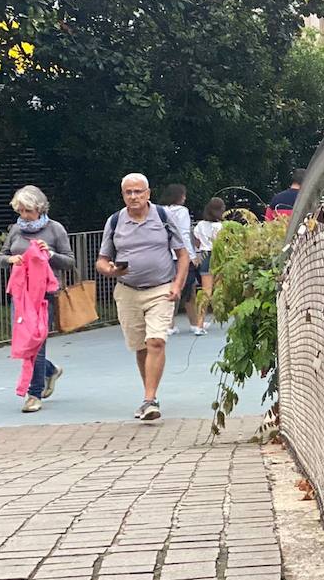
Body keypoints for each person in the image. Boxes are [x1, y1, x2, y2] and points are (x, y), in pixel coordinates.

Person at [95, 173, 189, 421]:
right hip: (127, 290)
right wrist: (110, 270)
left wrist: (178, 285)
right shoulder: (115, 221)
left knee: (156, 341)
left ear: (148, 193)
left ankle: (150, 399)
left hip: (161, 288)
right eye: (129, 192)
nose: (134, 196)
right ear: (123, 195)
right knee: (140, 347)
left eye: (138, 191)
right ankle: (148, 394)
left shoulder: (163, 217)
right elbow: (102, 261)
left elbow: (182, 254)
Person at [0, 185, 74, 413]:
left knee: (36, 344)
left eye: (27, 211)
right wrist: (11, 261)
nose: (23, 216)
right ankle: (50, 371)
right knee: (23, 343)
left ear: (39, 208)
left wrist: (49, 254)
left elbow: (69, 261)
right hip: (20, 295)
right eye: (20, 211)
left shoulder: (54, 229)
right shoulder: (15, 231)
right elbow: (2, 256)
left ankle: (34, 393)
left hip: (44, 296)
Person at [158, 183, 204, 336]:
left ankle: (170, 325)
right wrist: (191, 255)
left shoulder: (161, 211)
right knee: (188, 290)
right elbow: (183, 234)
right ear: (179, 197)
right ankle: (194, 323)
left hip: (165, 256)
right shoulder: (182, 211)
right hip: (180, 255)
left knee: (171, 289)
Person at [192, 197, 226, 332]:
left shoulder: (200, 225)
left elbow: (197, 242)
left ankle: (199, 324)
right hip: (218, 256)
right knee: (222, 288)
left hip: (205, 255)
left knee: (206, 291)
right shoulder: (221, 226)